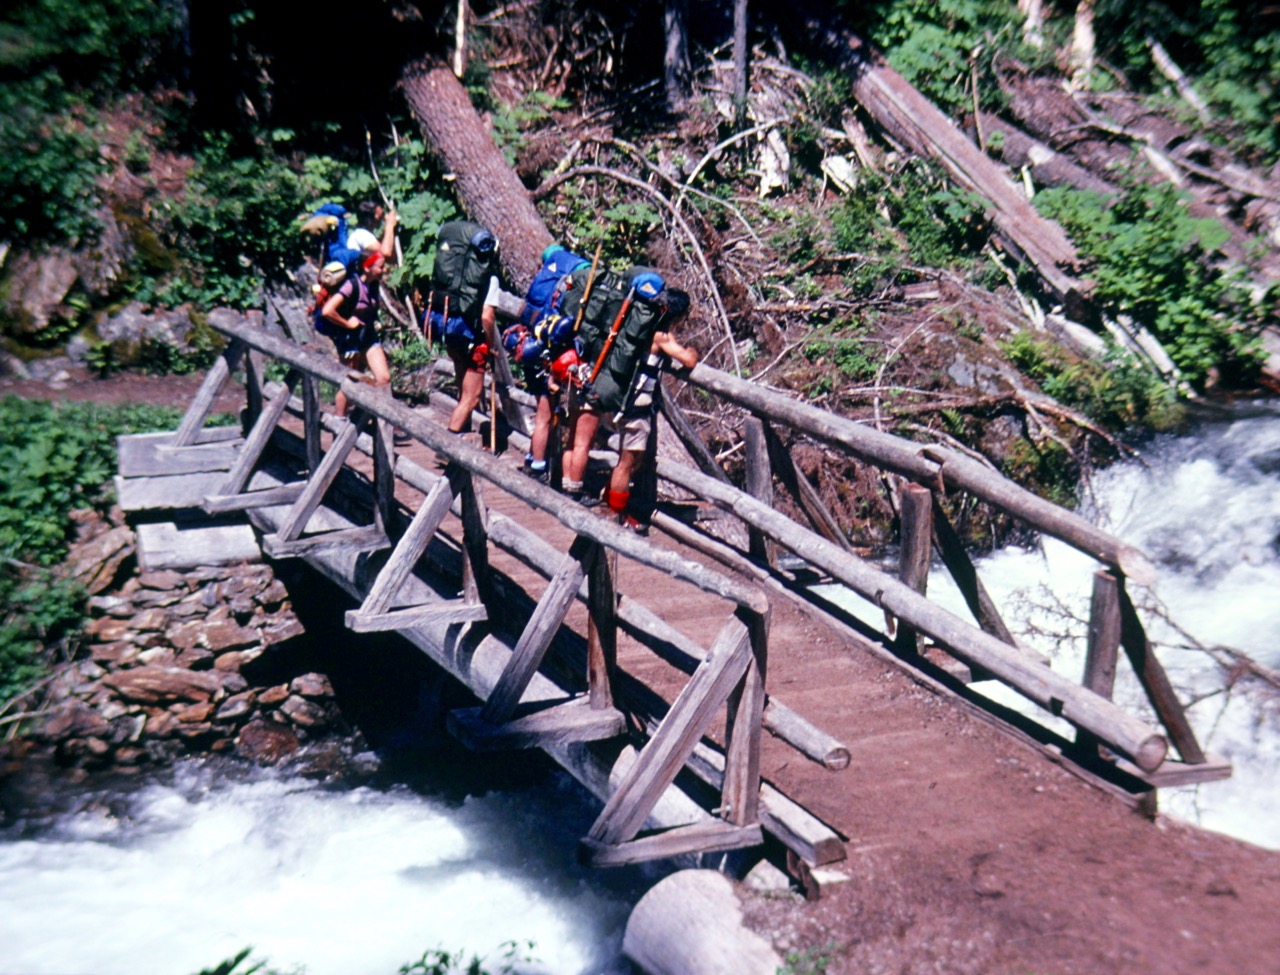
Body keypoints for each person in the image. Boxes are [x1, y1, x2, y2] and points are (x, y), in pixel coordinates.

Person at [601, 290, 697, 531]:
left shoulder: (637, 327)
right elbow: (688, 361)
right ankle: (615, 514)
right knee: (627, 463)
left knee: (630, 460)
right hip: (635, 407)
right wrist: (693, 351)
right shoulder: (661, 336)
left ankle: (612, 500)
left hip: (621, 400)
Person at [321, 251, 392, 418]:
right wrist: (347, 323)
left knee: (384, 378)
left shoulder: (374, 285)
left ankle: (377, 420)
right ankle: (339, 420)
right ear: (367, 268)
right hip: (349, 341)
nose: (384, 270)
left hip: (368, 337)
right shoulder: (351, 285)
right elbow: (327, 311)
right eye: (380, 267)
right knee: (350, 383)